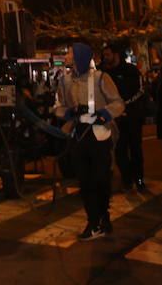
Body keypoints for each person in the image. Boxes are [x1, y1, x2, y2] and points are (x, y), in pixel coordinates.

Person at [55, 42, 124, 240]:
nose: (66, 56)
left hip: (100, 134)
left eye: (69, 53)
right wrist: (70, 112)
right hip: (78, 135)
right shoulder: (65, 81)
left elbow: (118, 103)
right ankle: (94, 221)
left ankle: (103, 216)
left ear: (79, 57)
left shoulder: (101, 78)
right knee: (85, 181)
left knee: (101, 178)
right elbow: (58, 106)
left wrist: (103, 114)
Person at [101, 43, 147, 191]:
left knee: (135, 149)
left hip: (132, 116)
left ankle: (139, 179)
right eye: (104, 55)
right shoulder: (103, 72)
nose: (105, 58)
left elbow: (140, 91)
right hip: (115, 119)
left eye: (108, 54)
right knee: (119, 150)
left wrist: (123, 105)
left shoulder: (131, 70)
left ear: (116, 54)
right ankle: (127, 179)